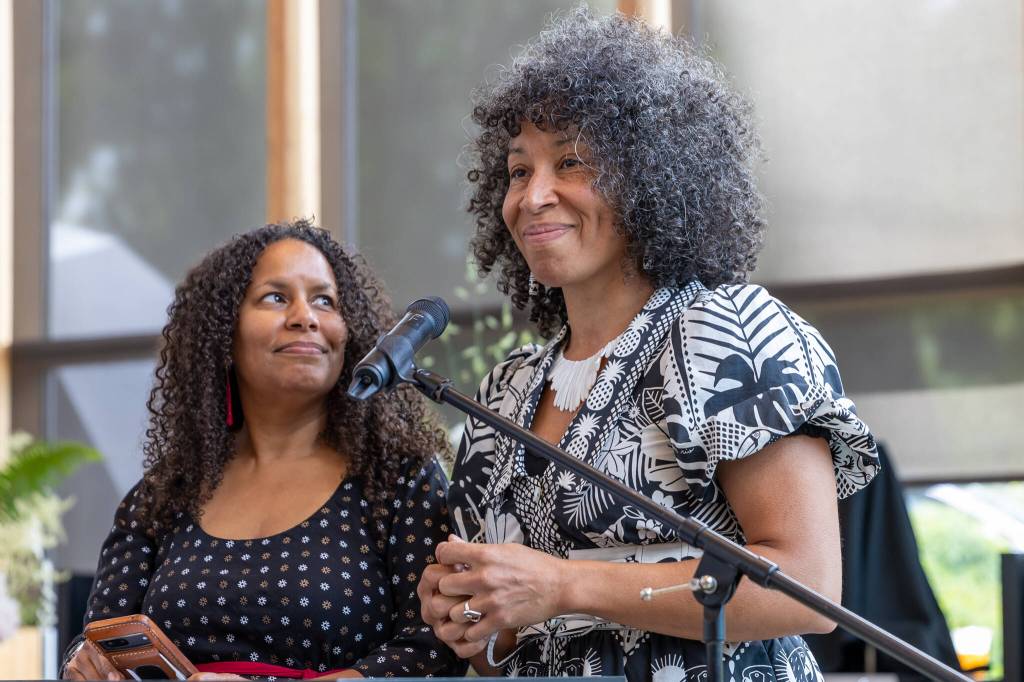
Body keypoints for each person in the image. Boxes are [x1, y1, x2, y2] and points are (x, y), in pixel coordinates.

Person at [418, 8, 880, 681]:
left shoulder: (728, 334)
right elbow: (502, 644)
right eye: (519, 171)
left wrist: (564, 586)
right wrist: (474, 618)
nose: (534, 196)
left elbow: (806, 588)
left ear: (652, 180)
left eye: (570, 162)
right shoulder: (504, 393)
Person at [62, 220, 466, 680]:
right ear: (223, 334)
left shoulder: (400, 482)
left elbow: (431, 653)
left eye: (324, 300)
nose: (304, 316)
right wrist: (84, 664)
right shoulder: (161, 497)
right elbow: (99, 637)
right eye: (276, 297)